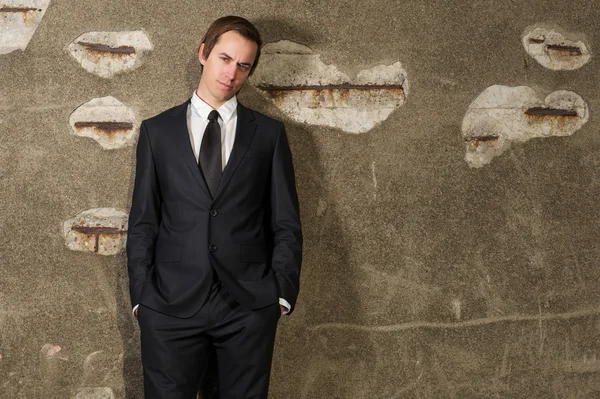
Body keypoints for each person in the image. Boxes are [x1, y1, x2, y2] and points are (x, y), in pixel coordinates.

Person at [126, 15, 303, 399]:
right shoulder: (157, 132)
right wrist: (143, 299)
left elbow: (285, 221)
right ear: (203, 53)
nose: (232, 73)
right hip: (169, 304)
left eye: (243, 65)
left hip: (248, 306)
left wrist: (281, 295)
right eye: (225, 58)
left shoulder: (268, 135)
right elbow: (143, 221)